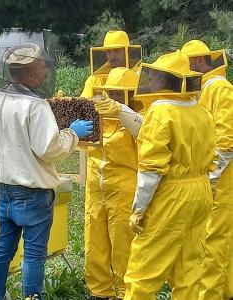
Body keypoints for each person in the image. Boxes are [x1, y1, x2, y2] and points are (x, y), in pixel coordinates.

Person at [0, 43, 93, 300]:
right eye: (42, 68)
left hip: (4, 191)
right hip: (33, 195)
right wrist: (73, 133)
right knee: (33, 254)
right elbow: (49, 149)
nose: (45, 73)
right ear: (30, 75)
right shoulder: (35, 106)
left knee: (1, 251)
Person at [123, 50, 216, 299]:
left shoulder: (160, 112)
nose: (150, 81)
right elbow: (213, 156)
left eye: (154, 76)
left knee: (144, 267)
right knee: (190, 268)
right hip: (201, 192)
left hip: (172, 194)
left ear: (165, 81)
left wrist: (139, 208)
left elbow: (151, 170)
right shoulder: (201, 112)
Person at [84, 67, 143, 300]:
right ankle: (99, 291)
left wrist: (122, 111)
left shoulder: (138, 116)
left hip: (123, 190)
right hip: (95, 188)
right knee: (94, 240)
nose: (114, 99)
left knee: (123, 244)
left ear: (130, 95)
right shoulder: (101, 118)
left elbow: (143, 129)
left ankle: (126, 292)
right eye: (111, 94)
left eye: (120, 94)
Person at [182, 39, 233, 300]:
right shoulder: (202, 90)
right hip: (209, 181)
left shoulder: (220, 88)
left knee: (215, 243)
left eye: (188, 64)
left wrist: (211, 176)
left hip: (221, 185)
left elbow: (226, 140)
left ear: (200, 61)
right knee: (210, 242)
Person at [81, 30, 142, 98]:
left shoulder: (140, 75)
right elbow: (83, 102)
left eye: (116, 50)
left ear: (128, 51)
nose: (112, 56)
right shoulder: (94, 79)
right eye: (108, 51)